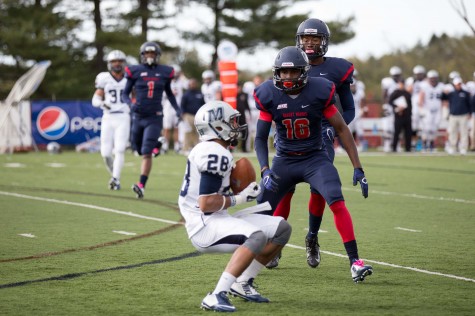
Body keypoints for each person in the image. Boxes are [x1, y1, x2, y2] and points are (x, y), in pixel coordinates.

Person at [254, 46, 372, 283]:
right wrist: (265, 169)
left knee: (336, 199)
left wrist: (357, 166)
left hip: (314, 158)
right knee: (260, 208)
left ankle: (355, 263)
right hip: (284, 160)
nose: (288, 78)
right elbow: (259, 137)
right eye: (283, 73)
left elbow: (341, 129)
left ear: (304, 72)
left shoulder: (319, 90)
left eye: (293, 72)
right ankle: (260, 255)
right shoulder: (268, 94)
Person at [178, 100, 292, 312]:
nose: (236, 125)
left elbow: (214, 198)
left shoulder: (214, 149)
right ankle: (216, 294)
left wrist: (239, 194)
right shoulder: (214, 152)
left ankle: (242, 282)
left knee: (281, 229)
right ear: (217, 126)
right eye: (231, 121)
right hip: (204, 225)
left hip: (217, 217)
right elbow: (206, 204)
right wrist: (241, 198)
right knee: (256, 236)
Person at [269, 18, 356, 269]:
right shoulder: (288, 64)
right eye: (305, 38)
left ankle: (312, 238)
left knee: (319, 190)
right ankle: (276, 243)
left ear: (324, 42)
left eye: (315, 38)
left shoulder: (337, 69)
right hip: (291, 141)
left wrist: (331, 129)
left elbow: (348, 110)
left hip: (321, 141)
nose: (309, 43)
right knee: (284, 190)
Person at [122, 41, 181, 198]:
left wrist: (177, 109)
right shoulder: (134, 71)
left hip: (154, 116)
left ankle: (141, 185)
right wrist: (130, 104)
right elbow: (124, 94)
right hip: (138, 115)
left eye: (152, 54)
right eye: (147, 54)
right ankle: (158, 143)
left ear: (157, 56)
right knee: (138, 148)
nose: (150, 57)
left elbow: (169, 93)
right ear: (142, 55)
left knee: (146, 153)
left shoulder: (165, 72)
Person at [91, 50, 130, 190]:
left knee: (119, 150)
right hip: (108, 117)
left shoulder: (129, 78)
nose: (117, 64)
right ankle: (114, 175)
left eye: (119, 61)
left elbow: (136, 96)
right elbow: (95, 98)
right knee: (105, 153)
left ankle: (115, 179)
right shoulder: (104, 78)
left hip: (123, 116)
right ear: (109, 64)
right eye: (114, 61)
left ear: (124, 63)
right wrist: (102, 103)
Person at [162, 64, 188, 154]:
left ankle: (177, 146)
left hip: (177, 108)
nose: (175, 75)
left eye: (177, 73)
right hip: (167, 108)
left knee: (177, 128)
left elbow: (188, 85)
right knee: (167, 128)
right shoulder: (166, 81)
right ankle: (165, 146)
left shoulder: (181, 81)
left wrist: (182, 75)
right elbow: (163, 95)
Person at [442, 77, 472, 155]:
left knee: (464, 132)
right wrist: (444, 92)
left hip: (463, 115)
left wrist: (470, 113)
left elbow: (469, 104)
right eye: (457, 84)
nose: (458, 86)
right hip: (453, 115)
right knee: (452, 132)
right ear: (454, 85)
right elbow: (443, 98)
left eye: (459, 84)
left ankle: (463, 148)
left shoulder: (465, 93)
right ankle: (453, 147)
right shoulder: (451, 93)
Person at [418, 70, 444, 152]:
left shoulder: (441, 86)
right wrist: (421, 109)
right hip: (427, 110)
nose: (433, 80)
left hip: (437, 110)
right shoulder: (425, 86)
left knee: (434, 129)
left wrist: (445, 107)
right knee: (426, 128)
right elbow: (421, 98)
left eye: (434, 78)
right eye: (431, 78)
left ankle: (432, 144)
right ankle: (425, 145)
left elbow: (445, 97)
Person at [381, 66, 403, 152]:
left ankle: (397, 144)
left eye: (397, 75)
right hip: (389, 106)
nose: (396, 77)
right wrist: (385, 105)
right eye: (395, 75)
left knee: (397, 127)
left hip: (398, 106)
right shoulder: (388, 82)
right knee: (387, 127)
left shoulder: (401, 83)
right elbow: (384, 94)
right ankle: (387, 145)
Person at [180, 78, 205, 153]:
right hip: (188, 115)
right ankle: (186, 148)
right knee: (188, 132)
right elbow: (182, 105)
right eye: (191, 84)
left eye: (194, 83)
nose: (193, 85)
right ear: (189, 85)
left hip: (198, 116)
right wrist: (183, 115)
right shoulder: (186, 94)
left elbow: (203, 104)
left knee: (197, 132)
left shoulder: (200, 93)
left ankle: (196, 148)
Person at [405, 65, 426, 151]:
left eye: (420, 74)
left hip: (424, 106)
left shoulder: (426, 82)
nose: (419, 76)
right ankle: (413, 143)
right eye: (417, 74)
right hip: (413, 106)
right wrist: (412, 83)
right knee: (414, 126)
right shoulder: (411, 81)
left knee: (423, 126)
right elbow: (407, 91)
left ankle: (421, 144)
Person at [389, 79, 412, 152]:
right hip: (398, 116)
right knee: (397, 132)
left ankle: (408, 148)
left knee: (408, 133)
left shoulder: (407, 93)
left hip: (407, 116)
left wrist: (408, 112)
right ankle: (394, 148)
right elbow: (390, 102)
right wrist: (397, 109)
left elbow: (409, 105)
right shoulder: (395, 93)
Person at [236, 82, 251, 152]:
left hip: (242, 116)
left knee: (245, 132)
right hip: (233, 117)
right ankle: (231, 148)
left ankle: (244, 148)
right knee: (232, 133)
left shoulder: (244, 95)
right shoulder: (232, 95)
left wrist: (249, 113)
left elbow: (246, 105)